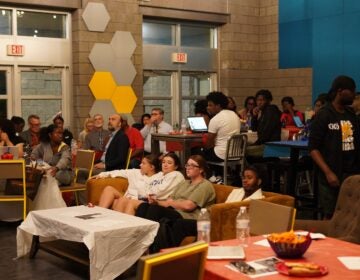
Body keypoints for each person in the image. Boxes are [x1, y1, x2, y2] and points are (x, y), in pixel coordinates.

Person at [135, 155, 216, 252]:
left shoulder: (205, 185)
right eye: (187, 165)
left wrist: (172, 203)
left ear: (201, 169)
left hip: (188, 216)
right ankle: (137, 242)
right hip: (175, 211)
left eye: (192, 165)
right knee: (144, 206)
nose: (188, 168)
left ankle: (144, 245)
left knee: (155, 210)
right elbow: (168, 201)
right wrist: (157, 202)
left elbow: (188, 206)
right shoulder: (184, 183)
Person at [309, 75, 360, 219]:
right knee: (330, 215)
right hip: (331, 173)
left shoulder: (350, 114)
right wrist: (328, 172)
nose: (354, 95)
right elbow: (313, 148)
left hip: (350, 172)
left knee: (350, 214)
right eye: (351, 91)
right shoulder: (325, 114)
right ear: (340, 91)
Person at [97, 153, 184, 213]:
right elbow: (120, 172)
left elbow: (153, 193)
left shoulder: (161, 176)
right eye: (163, 162)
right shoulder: (136, 172)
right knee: (109, 189)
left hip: (140, 200)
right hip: (131, 197)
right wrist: (102, 174)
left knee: (122, 200)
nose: (140, 165)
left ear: (152, 167)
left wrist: (135, 197)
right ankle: (99, 214)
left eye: (143, 163)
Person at [202, 91, 241, 181]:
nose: (208, 108)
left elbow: (209, 142)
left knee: (199, 153)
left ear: (218, 105)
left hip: (221, 155)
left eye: (210, 105)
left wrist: (205, 148)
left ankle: (211, 178)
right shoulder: (234, 114)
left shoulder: (216, 119)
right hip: (236, 154)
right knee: (211, 151)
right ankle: (219, 176)